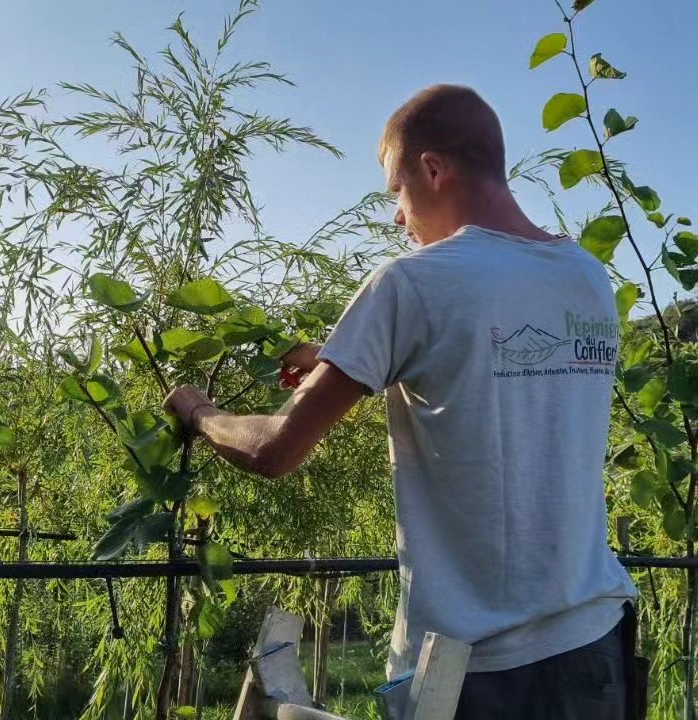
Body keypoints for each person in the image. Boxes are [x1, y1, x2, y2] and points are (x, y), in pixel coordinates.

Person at [164, 84, 637, 719]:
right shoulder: (586, 276)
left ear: (433, 169)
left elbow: (276, 448)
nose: (396, 218)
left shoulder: (410, 282)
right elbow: (486, 369)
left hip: (474, 668)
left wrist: (198, 411)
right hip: (594, 645)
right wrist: (338, 354)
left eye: (395, 191)